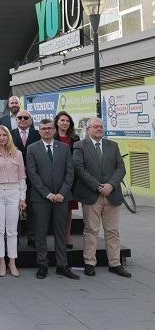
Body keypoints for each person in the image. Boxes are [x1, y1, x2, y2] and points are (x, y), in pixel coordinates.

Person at [73, 118, 131, 278]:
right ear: (88, 129)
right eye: (95, 127)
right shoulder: (79, 146)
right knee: (91, 230)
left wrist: (111, 185)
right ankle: (90, 262)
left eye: (101, 126)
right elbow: (79, 168)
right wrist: (98, 186)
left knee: (112, 231)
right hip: (91, 195)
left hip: (112, 194)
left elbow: (121, 168)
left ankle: (115, 263)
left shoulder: (113, 145)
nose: (99, 129)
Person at [26, 118, 78, 280]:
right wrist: (47, 194)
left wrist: (62, 193)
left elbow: (70, 173)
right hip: (41, 198)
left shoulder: (64, 148)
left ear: (54, 130)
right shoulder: (32, 148)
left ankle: (62, 265)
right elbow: (32, 174)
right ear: (39, 131)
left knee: (60, 232)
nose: (47, 131)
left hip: (61, 197)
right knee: (40, 232)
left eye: (49, 128)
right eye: (43, 129)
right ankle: (43, 264)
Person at [0, 125, 26, 277]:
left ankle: (12, 262)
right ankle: (1, 262)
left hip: (14, 191)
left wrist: (22, 198)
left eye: (4, 135)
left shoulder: (18, 154)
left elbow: (22, 177)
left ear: (9, 137)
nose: (2, 138)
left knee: (12, 231)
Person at [11, 110, 40, 246]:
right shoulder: (10, 134)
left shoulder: (37, 135)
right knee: (14, 209)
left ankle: (32, 237)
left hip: (33, 179)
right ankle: (14, 237)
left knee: (32, 209)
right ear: (16, 120)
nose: (22, 119)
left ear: (31, 120)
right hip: (13, 178)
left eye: (25, 117)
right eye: (19, 117)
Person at [53, 111, 81, 249]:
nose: (65, 123)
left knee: (68, 210)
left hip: (71, 179)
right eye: (62, 120)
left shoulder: (75, 138)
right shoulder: (52, 137)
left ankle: (67, 236)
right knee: (56, 210)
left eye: (67, 121)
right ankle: (58, 237)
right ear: (57, 122)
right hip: (55, 177)